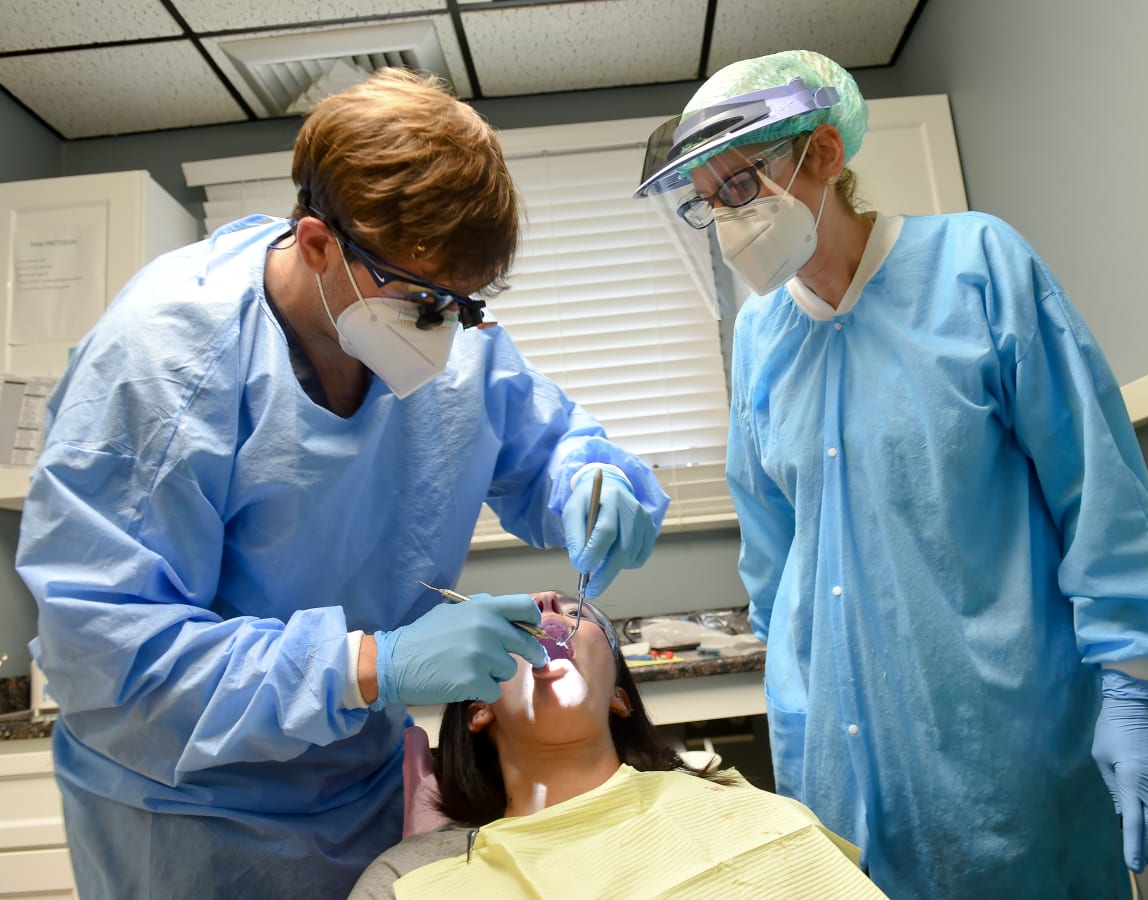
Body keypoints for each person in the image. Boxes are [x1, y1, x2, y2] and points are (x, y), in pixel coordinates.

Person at [15, 68, 668, 900]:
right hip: (187, 809)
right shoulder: (161, 368)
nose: (448, 333)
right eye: (427, 303)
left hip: (361, 787)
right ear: (320, 244)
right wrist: (372, 663)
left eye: (465, 307)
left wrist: (593, 479)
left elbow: (545, 444)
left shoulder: (448, 330)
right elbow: (108, 663)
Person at [633, 50, 1148, 898]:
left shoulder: (978, 267)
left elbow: (1098, 488)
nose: (728, 219)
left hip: (1004, 745)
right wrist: (795, 696)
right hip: (836, 768)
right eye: (709, 203)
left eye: (741, 186)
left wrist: (1130, 680)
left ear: (823, 154)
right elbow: (775, 557)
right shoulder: (759, 337)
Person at [350, 592, 887, 898]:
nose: (545, 605)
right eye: (517, 624)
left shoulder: (739, 809)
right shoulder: (409, 880)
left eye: (573, 610)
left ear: (619, 700)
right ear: (478, 710)